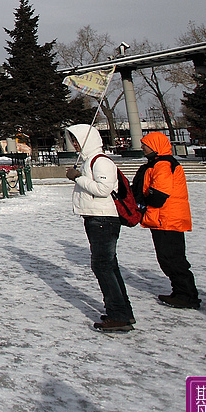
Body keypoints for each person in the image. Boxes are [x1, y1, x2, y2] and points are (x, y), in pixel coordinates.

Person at [64, 124, 134, 332]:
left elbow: (103, 189)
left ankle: (118, 314)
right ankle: (122, 311)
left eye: (77, 141)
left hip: (103, 220)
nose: (74, 145)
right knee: (109, 266)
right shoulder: (88, 162)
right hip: (96, 218)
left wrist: (77, 177)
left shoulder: (101, 161)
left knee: (103, 266)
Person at [135, 131, 200, 310]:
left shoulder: (163, 165)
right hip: (164, 217)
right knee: (169, 257)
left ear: (155, 146)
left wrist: (144, 200)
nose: (142, 147)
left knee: (172, 258)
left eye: (145, 144)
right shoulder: (158, 164)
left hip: (167, 218)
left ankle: (186, 295)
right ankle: (182, 292)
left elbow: (159, 195)